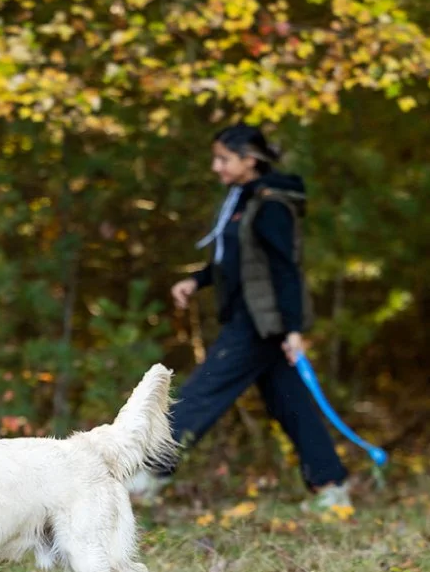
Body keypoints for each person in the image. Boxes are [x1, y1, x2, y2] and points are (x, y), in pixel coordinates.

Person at [128, 124, 351, 511]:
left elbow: (285, 269)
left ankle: (145, 476)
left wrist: (293, 329)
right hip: (253, 320)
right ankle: (331, 488)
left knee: (203, 391)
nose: (216, 167)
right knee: (290, 403)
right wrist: (197, 282)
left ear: (250, 160)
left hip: (260, 324)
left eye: (224, 159)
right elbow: (233, 262)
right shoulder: (242, 200)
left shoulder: (271, 205)